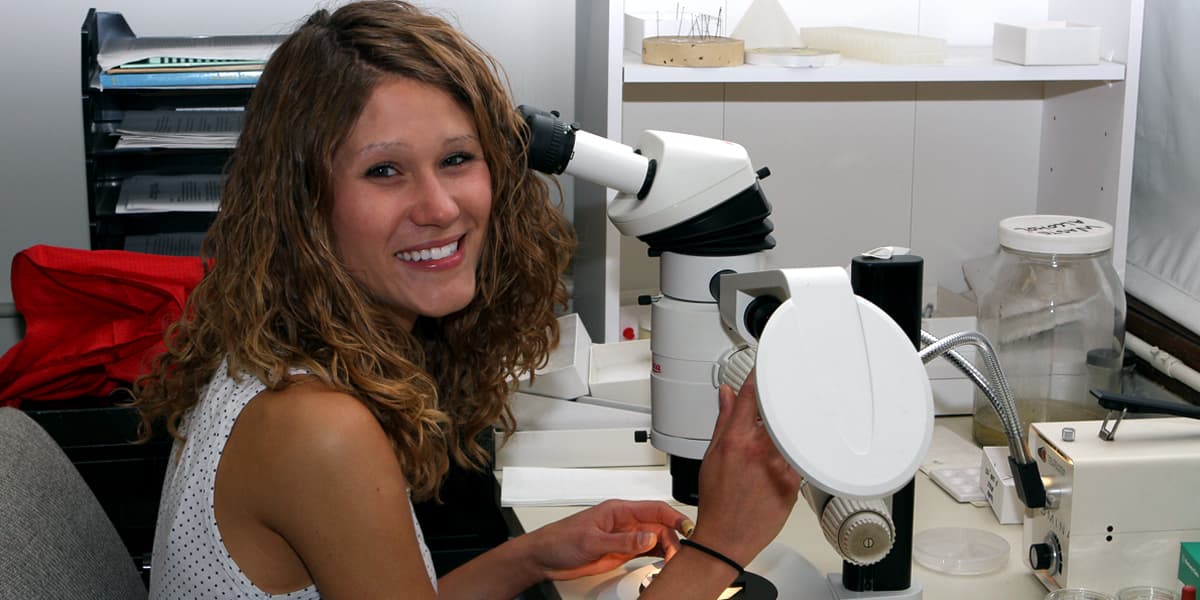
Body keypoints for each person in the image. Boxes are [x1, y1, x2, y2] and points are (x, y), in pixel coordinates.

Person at [132, 1, 802, 598]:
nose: (439, 206)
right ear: (305, 205)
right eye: (384, 170)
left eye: (457, 158)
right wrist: (719, 548)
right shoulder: (317, 430)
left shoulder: (288, 360)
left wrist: (531, 555)